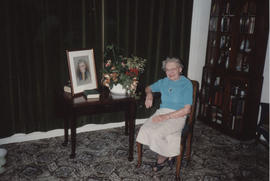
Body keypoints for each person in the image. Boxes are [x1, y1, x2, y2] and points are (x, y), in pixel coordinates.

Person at [136, 57, 193, 172]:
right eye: (167, 70)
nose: (170, 72)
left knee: (157, 133)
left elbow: (187, 110)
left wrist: (166, 117)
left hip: (178, 115)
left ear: (180, 69)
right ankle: (170, 153)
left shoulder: (186, 84)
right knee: (144, 129)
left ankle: (162, 158)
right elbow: (148, 88)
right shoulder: (164, 82)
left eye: (173, 69)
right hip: (162, 111)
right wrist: (149, 95)